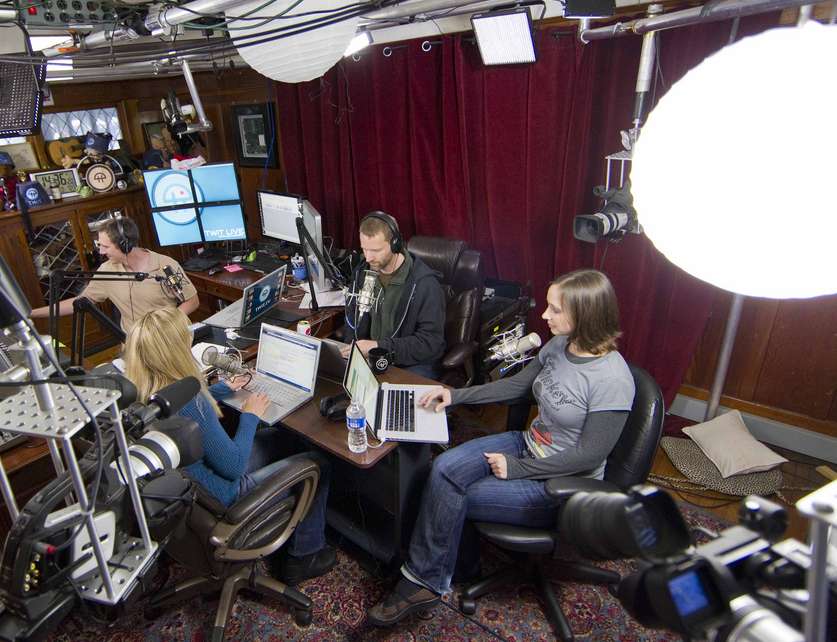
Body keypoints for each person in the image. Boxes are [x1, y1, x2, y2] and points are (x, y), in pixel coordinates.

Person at [365, 269, 636, 626]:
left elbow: (589, 456)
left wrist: (520, 468)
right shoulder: (561, 345)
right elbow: (518, 386)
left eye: (556, 309)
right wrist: (455, 396)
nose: (545, 315)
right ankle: (460, 566)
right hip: (528, 444)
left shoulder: (613, 380)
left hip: (560, 484)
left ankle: (422, 583)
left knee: (454, 492)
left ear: (585, 314)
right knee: (443, 469)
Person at [123, 307, 336, 585]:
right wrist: (250, 415)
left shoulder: (140, 398)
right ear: (175, 351)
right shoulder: (193, 403)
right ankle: (303, 558)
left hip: (195, 495)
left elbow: (184, 404)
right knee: (319, 464)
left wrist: (223, 388)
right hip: (224, 497)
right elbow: (234, 467)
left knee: (279, 438)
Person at [28, 216, 198, 334]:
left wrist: (167, 325)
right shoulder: (106, 270)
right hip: (133, 344)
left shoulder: (165, 265)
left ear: (125, 245)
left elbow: (192, 301)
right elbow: (81, 301)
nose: (101, 252)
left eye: (106, 247)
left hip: (167, 340)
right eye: (100, 246)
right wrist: (31, 313)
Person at [340, 212, 446, 379]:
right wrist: (352, 350)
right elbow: (352, 319)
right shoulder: (362, 272)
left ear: (395, 244)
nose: (368, 257)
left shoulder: (425, 284)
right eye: (364, 249)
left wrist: (379, 346)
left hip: (413, 363)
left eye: (375, 250)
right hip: (373, 356)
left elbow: (430, 343)